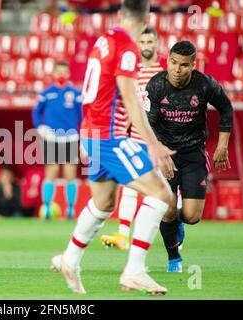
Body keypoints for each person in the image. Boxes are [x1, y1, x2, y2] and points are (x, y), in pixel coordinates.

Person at [51, 0, 176, 295]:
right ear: (146, 17)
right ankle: (134, 271)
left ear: (120, 15)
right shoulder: (127, 48)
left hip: (93, 133)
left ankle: (69, 259)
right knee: (162, 194)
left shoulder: (103, 40)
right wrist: (154, 144)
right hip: (109, 137)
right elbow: (131, 98)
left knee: (104, 204)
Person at [144, 40, 233, 272]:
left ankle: (177, 223)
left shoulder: (205, 84)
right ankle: (174, 259)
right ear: (167, 61)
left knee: (192, 216)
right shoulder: (155, 86)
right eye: (173, 62)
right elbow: (148, 125)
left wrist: (222, 145)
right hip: (166, 154)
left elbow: (226, 108)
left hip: (194, 153)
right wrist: (160, 155)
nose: (176, 69)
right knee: (168, 208)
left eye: (183, 65)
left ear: (192, 65)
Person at [100, 27, 173, 250]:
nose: (146, 46)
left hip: (162, 139)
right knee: (130, 187)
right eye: (142, 41)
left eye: (150, 41)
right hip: (136, 137)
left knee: (167, 192)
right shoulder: (131, 69)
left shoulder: (165, 67)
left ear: (157, 43)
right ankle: (123, 235)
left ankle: (173, 239)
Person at [32, 61, 82, 219]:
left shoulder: (75, 93)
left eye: (64, 71)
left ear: (68, 74)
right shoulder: (46, 93)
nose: (61, 74)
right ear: (53, 74)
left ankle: (71, 209)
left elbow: (82, 115)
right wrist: (41, 128)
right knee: (51, 173)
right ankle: (46, 207)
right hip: (52, 137)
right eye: (58, 71)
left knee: (70, 174)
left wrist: (81, 132)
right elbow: (36, 113)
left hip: (71, 137)